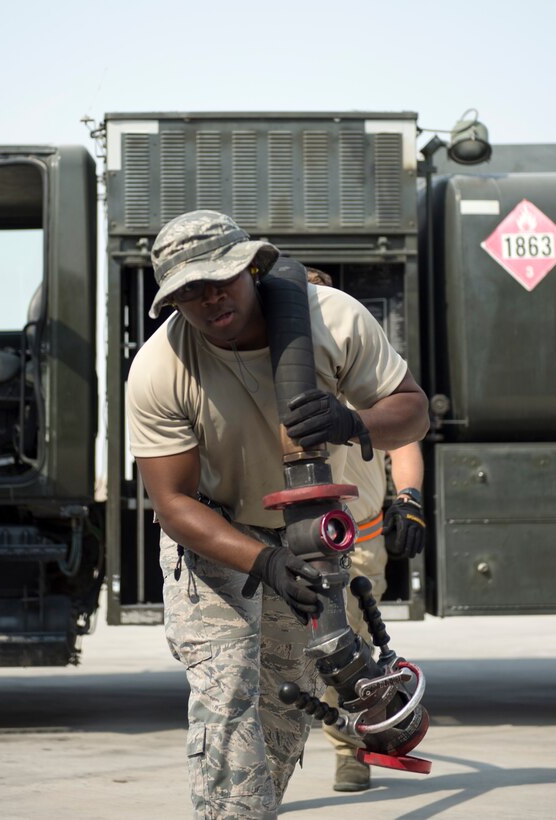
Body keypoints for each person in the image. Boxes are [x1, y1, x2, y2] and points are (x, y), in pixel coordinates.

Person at [126, 210, 429, 819]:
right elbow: (174, 502)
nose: (209, 300)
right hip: (216, 540)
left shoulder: (333, 318)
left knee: (284, 709)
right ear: (171, 300)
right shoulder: (160, 368)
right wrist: (264, 562)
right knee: (228, 691)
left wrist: (354, 423)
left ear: (253, 268)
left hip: (308, 532)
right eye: (189, 291)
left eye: (221, 280)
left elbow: (414, 412)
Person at [305, 267, 427, 793]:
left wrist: (411, 499)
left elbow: (404, 438)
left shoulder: (359, 365)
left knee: (351, 655)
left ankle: (350, 749)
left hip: (358, 542)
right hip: (286, 539)